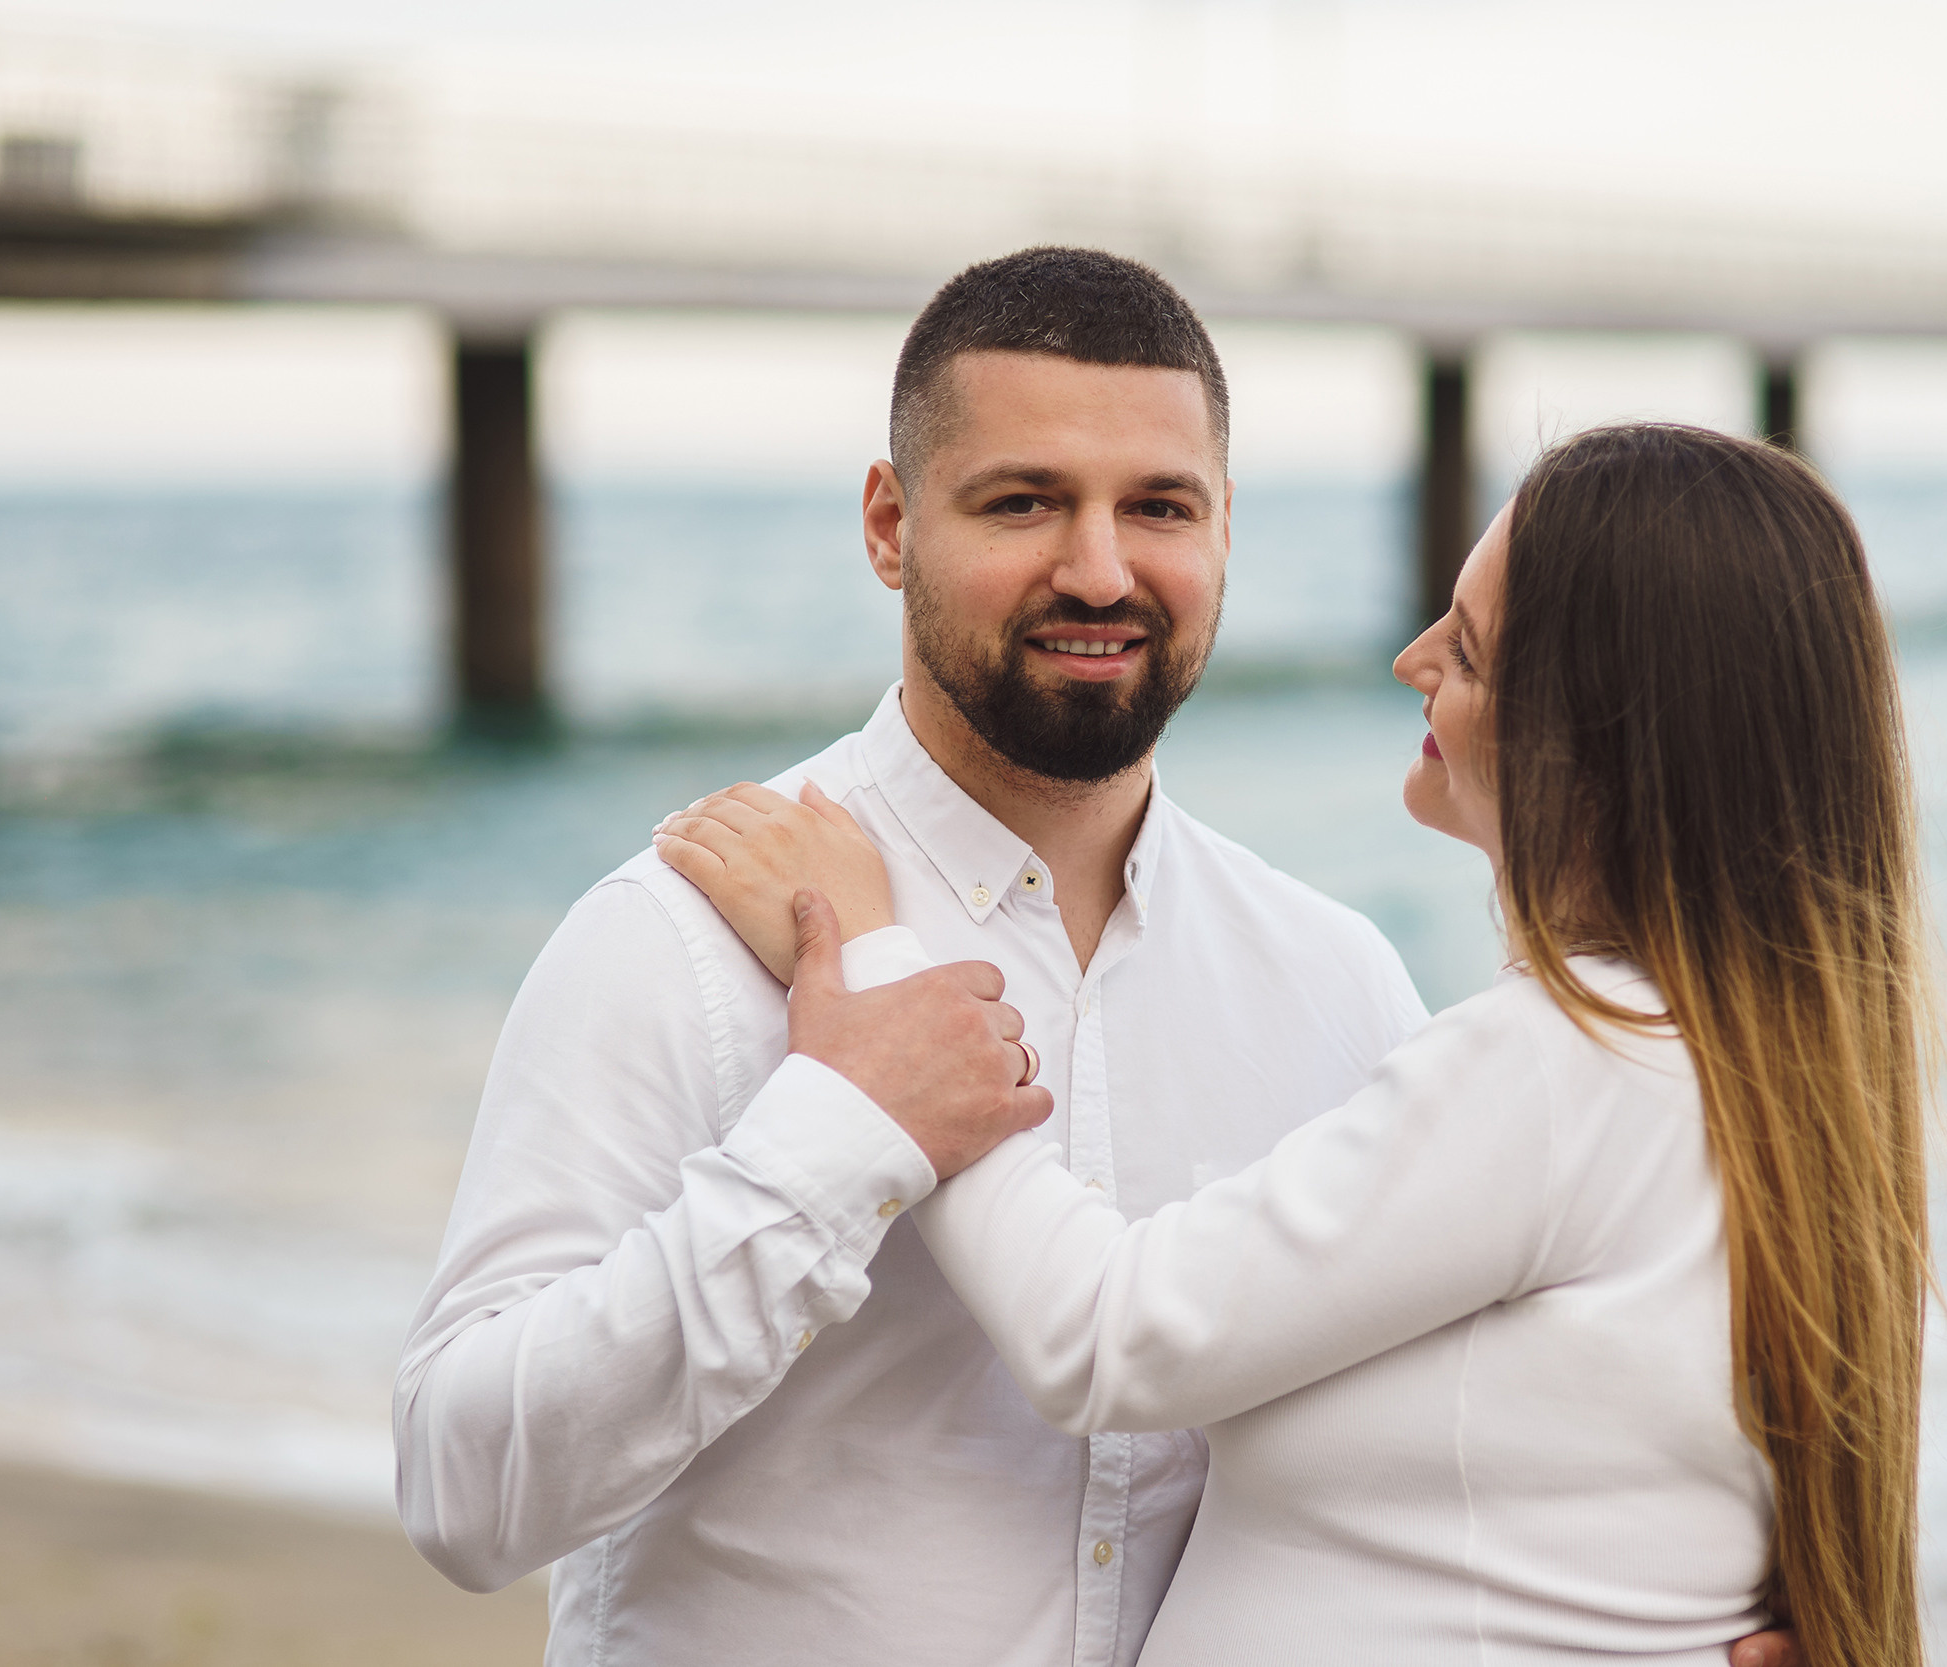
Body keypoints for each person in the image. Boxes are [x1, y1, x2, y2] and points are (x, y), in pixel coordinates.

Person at [398, 243, 1797, 1666]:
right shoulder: (684, 936)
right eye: (1023, 502)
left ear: (1226, 527)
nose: (1099, 570)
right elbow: (463, 1491)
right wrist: (829, 1143)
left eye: (1158, 507)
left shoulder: (1336, 978)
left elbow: (1493, 1439)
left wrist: (1708, 1601)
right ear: (889, 524)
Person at [660, 423, 1925, 1665]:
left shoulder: (1567, 1060)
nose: (1411, 658)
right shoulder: (1744, 1076)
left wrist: (877, 965)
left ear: (1598, 738)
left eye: (1468, 650)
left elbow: (1104, 1336)